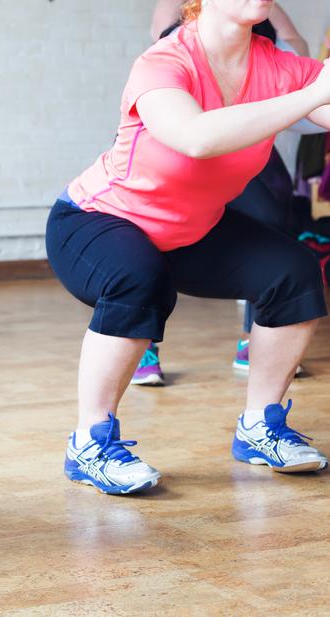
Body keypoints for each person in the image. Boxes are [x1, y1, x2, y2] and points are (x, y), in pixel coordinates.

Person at [48, 0, 330, 495]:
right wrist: (308, 96)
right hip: (97, 221)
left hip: (190, 230)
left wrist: (313, 93)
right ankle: (88, 443)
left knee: (293, 271)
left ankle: (259, 428)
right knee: (139, 279)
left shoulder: (278, 65)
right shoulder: (163, 62)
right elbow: (195, 137)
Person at [134, 0, 321, 385]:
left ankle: (254, 339)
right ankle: (143, 342)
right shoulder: (175, 33)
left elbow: (296, 45)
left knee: (272, 216)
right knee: (151, 238)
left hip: (244, 138)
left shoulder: (263, 12)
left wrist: (285, 80)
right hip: (187, 140)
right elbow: (169, 55)